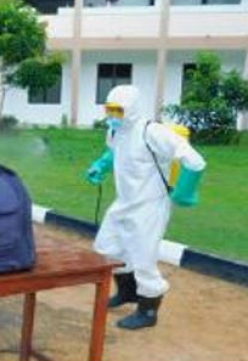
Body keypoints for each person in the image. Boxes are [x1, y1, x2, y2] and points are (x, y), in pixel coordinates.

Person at [86, 85, 206, 330]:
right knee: (108, 247)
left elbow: (195, 161)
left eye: (118, 110)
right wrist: (101, 166)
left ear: (132, 109)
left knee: (143, 258)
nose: (113, 115)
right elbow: (113, 153)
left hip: (150, 205)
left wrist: (184, 193)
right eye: (109, 110)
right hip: (125, 202)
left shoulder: (153, 132)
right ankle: (128, 292)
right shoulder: (114, 131)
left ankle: (148, 311)